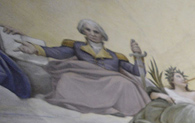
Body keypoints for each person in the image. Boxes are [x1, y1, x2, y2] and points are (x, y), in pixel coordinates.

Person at [16, 18, 149, 116]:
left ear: (102, 35)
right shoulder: (76, 46)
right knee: (67, 78)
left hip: (109, 81)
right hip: (84, 77)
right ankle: (95, 108)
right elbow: (58, 53)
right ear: (83, 32)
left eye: (96, 31)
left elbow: (137, 72)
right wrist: (36, 49)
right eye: (88, 30)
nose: (92, 34)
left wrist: (138, 56)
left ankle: (118, 110)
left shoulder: (115, 56)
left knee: (122, 82)